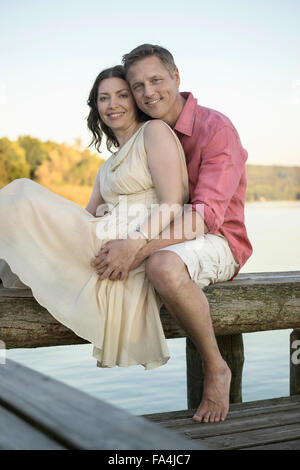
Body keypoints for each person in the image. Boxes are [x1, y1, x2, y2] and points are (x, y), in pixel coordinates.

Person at [91, 45, 253, 423]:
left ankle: (216, 367)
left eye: (156, 80)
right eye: (138, 86)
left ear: (176, 77)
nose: (148, 93)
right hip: (158, 237)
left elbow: (206, 215)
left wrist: (138, 247)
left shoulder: (215, 128)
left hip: (218, 240)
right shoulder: (146, 135)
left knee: (162, 266)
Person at [0, 65, 189, 371]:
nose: (112, 104)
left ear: (135, 100)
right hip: (103, 235)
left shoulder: (153, 133)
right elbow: (87, 215)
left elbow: (172, 203)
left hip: (132, 242)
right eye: (103, 98)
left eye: (122, 95)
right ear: (96, 106)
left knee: (21, 193)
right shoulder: (108, 165)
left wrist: (133, 244)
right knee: (17, 230)